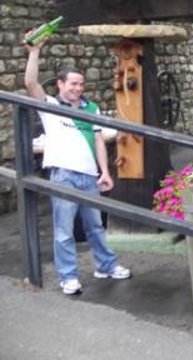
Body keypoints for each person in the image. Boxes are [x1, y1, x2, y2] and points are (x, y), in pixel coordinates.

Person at [24, 38, 131, 295]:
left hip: (89, 176)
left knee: (95, 227)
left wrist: (104, 171)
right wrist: (34, 52)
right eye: (73, 84)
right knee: (64, 231)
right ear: (60, 84)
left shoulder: (91, 108)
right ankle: (68, 276)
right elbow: (30, 84)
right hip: (63, 175)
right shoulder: (50, 106)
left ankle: (106, 265)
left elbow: (98, 141)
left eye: (81, 84)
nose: (78, 88)